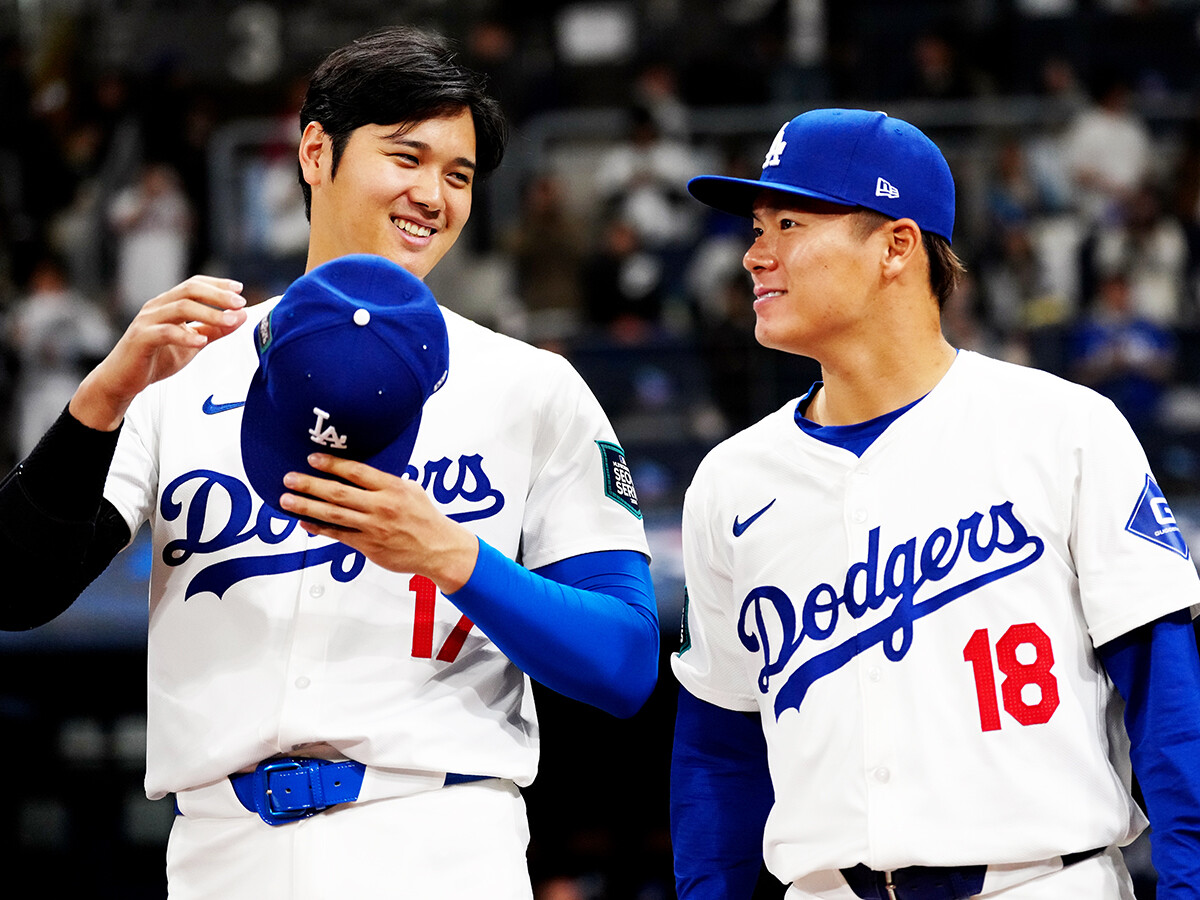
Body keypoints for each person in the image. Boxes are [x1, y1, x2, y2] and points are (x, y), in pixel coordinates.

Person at [0, 26, 659, 899]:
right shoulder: (186, 368)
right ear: (316, 151)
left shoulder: (531, 386)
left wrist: (455, 558)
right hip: (219, 851)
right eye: (406, 157)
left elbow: (623, 664)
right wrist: (100, 402)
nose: (432, 194)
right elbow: (15, 590)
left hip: (436, 837)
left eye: (457, 176)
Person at [669, 108, 1200, 899]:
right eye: (755, 225)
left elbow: (1168, 704)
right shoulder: (731, 479)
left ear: (896, 245)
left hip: (1042, 882)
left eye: (788, 221)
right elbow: (720, 746)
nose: (754, 254)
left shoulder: (1062, 428)